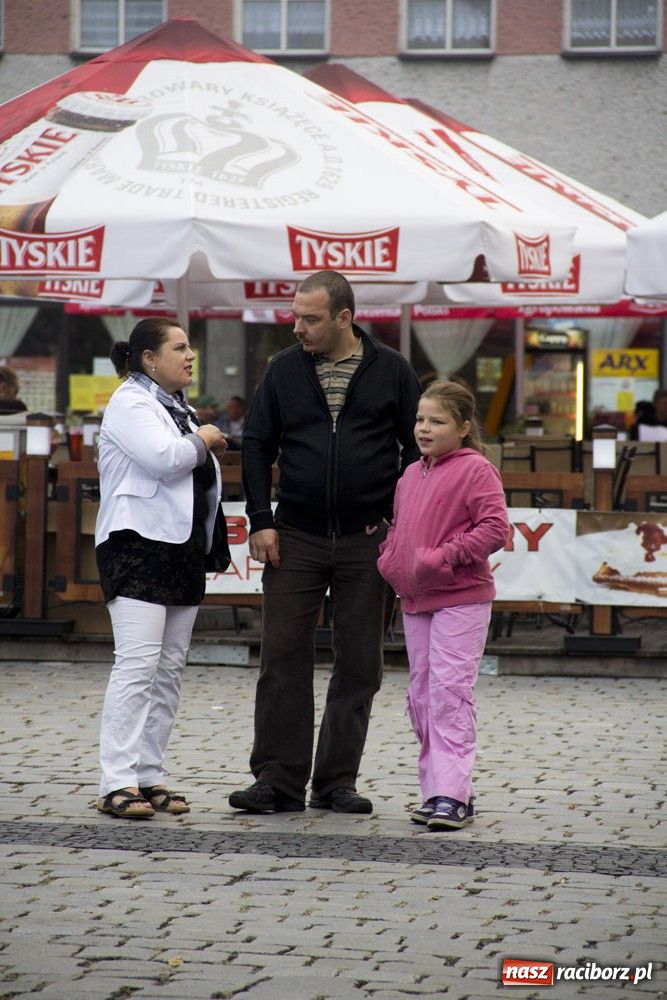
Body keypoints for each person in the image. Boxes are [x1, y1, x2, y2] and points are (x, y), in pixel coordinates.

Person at [229, 270, 421, 815]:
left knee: (360, 664)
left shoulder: (392, 370)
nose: (297, 327)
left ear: (344, 318)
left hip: (368, 539)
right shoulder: (283, 369)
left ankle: (337, 781)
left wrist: (396, 519)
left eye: (309, 319)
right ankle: (277, 781)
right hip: (294, 535)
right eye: (295, 316)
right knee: (282, 657)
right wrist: (260, 519)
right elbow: (257, 444)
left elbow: (416, 448)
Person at [94, 317, 228, 820]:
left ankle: (149, 774)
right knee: (137, 665)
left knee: (168, 669)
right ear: (149, 359)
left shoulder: (176, 407)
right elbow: (165, 459)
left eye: (190, 346)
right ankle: (116, 780)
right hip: (136, 545)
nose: (190, 355)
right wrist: (206, 438)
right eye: (180, 347)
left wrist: (201, 437)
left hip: (181, 549)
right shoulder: (131, 401)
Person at [377, 379, 509, 831]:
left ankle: (450, 795)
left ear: (464, 427)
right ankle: (441, 790)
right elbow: (399, 527)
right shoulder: (411, 474)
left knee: (449, 693)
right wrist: (392, 558)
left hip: (461, 597)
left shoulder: (476, 470)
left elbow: (495, 528)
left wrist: (443, 557)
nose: (424, 428)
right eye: (420, 419)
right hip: (416, 599)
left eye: (437, 421)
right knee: (422, 696)